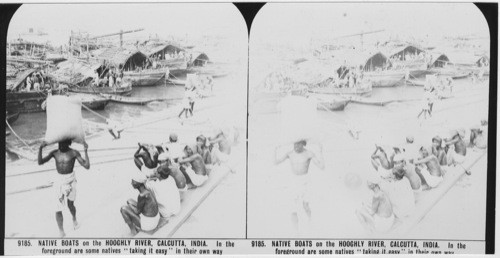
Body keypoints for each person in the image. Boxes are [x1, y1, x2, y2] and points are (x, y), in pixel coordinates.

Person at [38, 139, 90, 237]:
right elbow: (40, 162)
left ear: (68, 143)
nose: (60, 145)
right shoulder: (54, 153)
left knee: (71, 205)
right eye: (59, 143)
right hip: (59, 181)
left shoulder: (74, 153)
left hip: (70, 180)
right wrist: (40, 148)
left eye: (63, 143)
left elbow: (86, 166)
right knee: (57, 208)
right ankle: (61, 231)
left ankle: (74, 218)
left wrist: (86, 151)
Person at [274, 140, 324, 234]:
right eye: (294, 144)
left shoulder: (309, 153)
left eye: (298, 144)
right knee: (293, 208)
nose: (296, 146)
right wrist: (275, 150)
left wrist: (321, 152)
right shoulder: (290, 153)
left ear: (303, 144)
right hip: (294, 181)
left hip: (305, 181)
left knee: (305, 206)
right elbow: (276, 162)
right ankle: (295, 232)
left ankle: (310, 222)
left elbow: (322, 166)